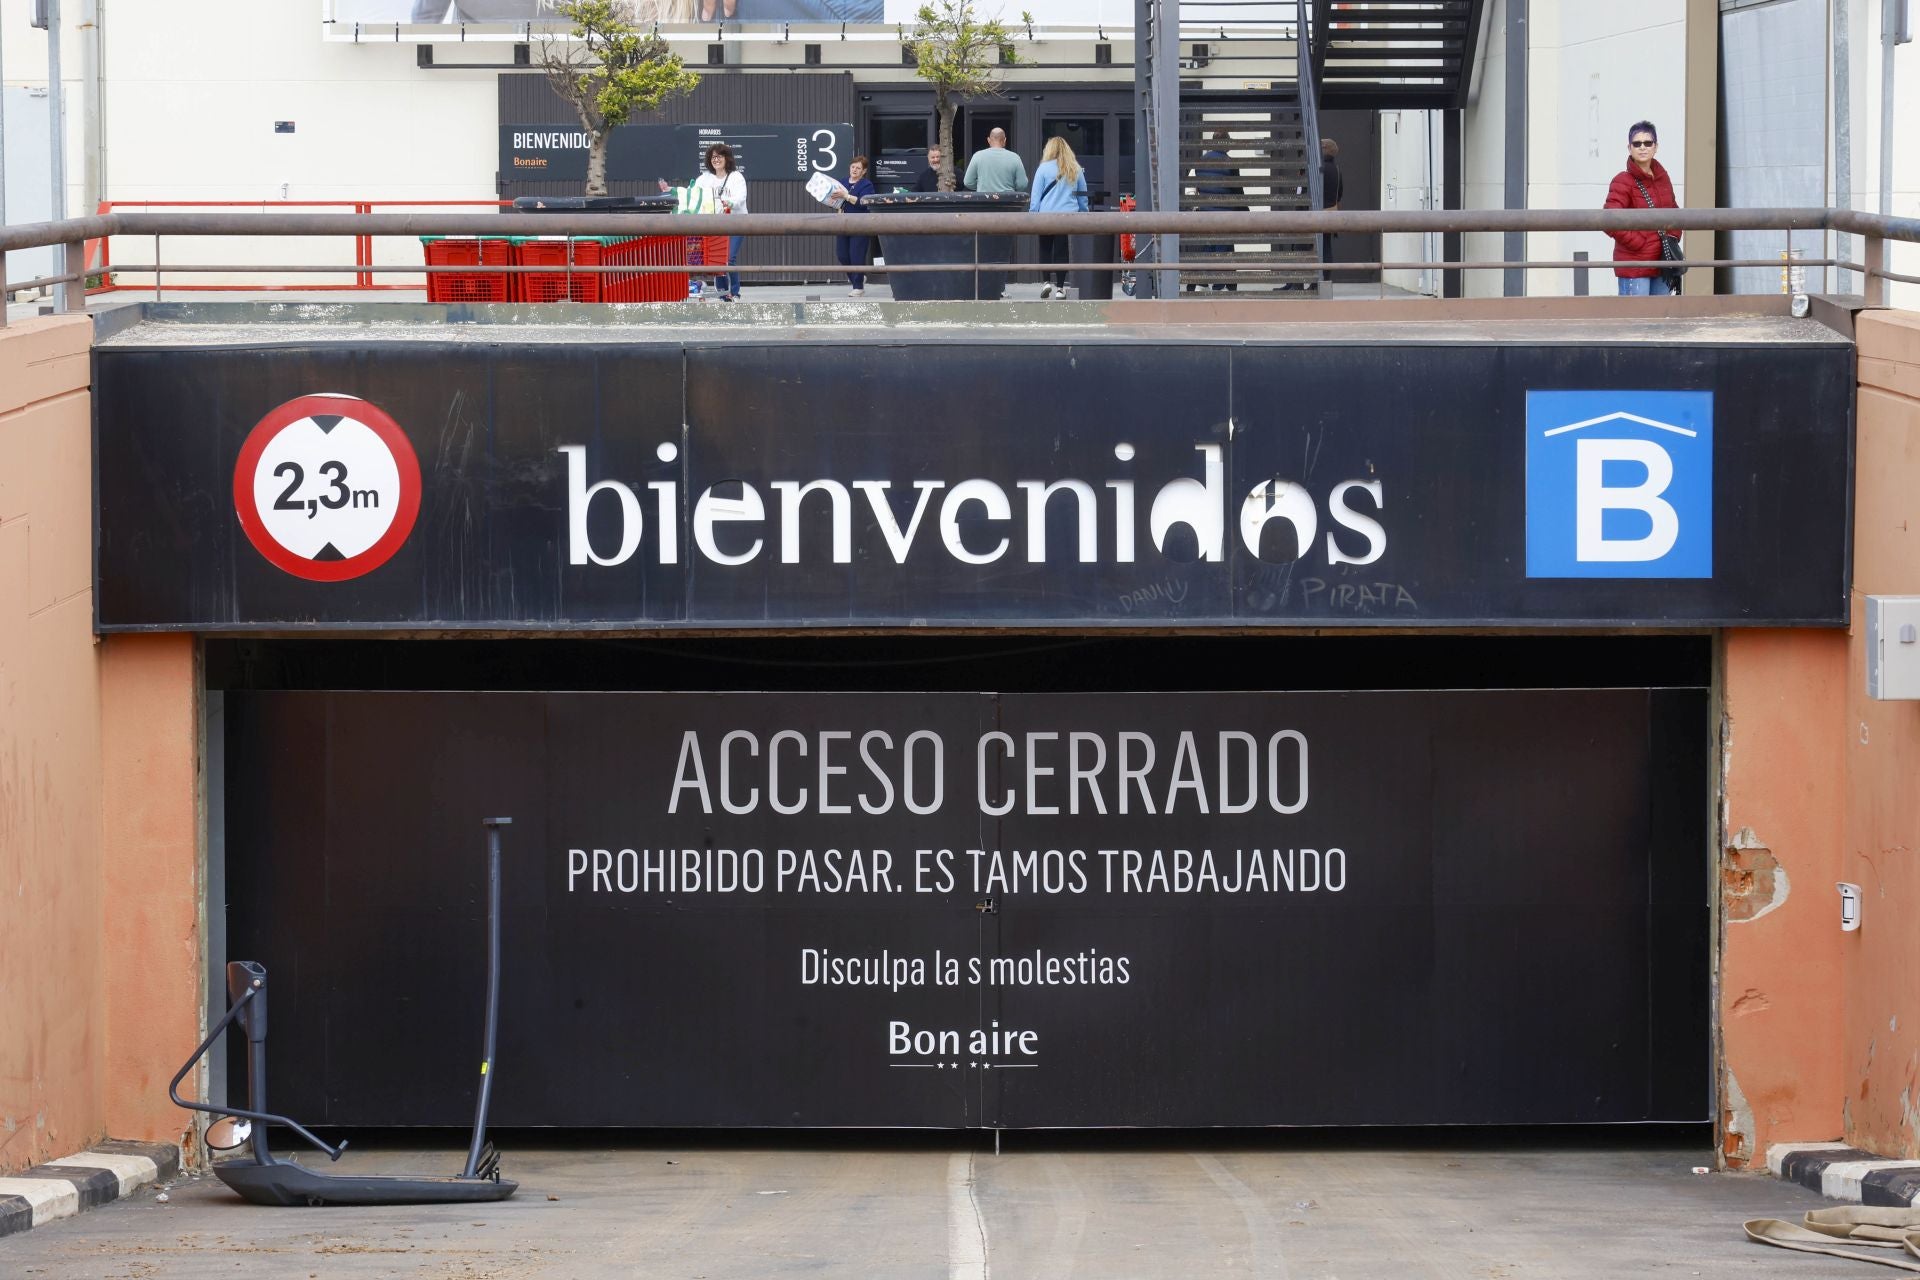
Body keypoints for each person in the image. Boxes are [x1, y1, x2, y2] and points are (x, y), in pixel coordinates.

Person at [660, 143, 748, 300]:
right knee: (719, 259)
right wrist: (671, 190)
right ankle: (723, 294)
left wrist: (728, 203)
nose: (716, 160)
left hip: (736, 222)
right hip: (716, 224)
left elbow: (740, 199)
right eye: (713, 157)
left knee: (729, 258)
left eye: (720, 156)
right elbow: (691, 193)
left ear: (727, 158)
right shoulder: (705, 178)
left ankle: (734, 292)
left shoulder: (736, 177)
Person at [1603, 120, 1680, 297]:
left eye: (1648, 143)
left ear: (1656, 147)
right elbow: (1609, 220)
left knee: (1660, 321)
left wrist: (1673, 236)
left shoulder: (1662, 177)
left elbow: (1674, 210)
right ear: (1629, 148)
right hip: (1634, 265)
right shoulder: (1623, 180)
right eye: (1637, 143)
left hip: (1662, 261)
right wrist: (1638, 242)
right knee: (1636, 321)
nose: (1643, 147)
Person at [1029, 137, 1090, 299]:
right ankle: (1061, 288)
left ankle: (1046, 282)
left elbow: (1035, 197)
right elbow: (1082, 196)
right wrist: (1084, 213)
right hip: (1068, 216)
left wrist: (1032, 215)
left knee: (1045, 248)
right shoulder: (1075, 168)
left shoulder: (1043, 169)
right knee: (1062, 251)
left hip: (1046, 215)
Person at [836, 155, 877, 297]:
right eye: (853, 167)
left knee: (856, 255)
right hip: (842, 224)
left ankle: (858, 287)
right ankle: (857, 277)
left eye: (858, 168)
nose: (854, 170)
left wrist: (846, 196)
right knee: (842, 255)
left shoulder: (867, 185)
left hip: (860, 225)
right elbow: (835, 201)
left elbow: (864, 203)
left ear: (864, 171)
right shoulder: (842, 182)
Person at [963, 128, 1029, 194]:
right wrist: (1011, 187)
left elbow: (968, 182)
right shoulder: (1015, 157)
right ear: (1005, 140)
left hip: (984, 201)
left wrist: (981, 186)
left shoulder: (977, 156)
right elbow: (1022, 184)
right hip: (1008, 202)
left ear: (988, 140)